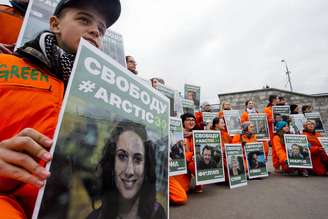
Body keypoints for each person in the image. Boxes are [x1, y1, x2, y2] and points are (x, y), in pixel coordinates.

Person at [0, 0, 121, 218]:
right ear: (55, 24)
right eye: (84, 19)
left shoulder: (109, 101)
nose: (95, 30)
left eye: (101, 30)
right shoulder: (4, 66)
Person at [87, 120, 166, 219]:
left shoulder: (157, 214)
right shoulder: (95, 217)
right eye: (122, 156)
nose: (129, 171)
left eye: (137, 159)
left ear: (146, 166)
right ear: (112, 162)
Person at [169, 113, 201, 205]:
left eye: (193, 120)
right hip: (177, 168)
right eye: (188, 120)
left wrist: (193, 155)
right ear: (182, 122)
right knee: (181, 193)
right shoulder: (175, 134)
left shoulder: (196, 135)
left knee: (195, 162)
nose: (191, 122)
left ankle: (199, 185)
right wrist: (189, 153)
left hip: (188, 166)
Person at [211, 117, 231, 182]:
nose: (224, 124)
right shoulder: (210, 134)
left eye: (224, 123)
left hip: (226, 154)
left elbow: (231, 145)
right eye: (222, 123)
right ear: (216, 125)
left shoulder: (226, 134)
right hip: (217, 156)